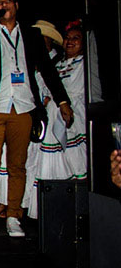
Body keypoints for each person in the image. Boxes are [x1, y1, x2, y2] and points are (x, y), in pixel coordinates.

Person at [0, 0, 74, 237]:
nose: (2, 5)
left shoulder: (32, 34)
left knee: (18, 166)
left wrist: (62, 101)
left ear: (16, 5)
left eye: (6, 1)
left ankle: (14, 215)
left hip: (23, 107)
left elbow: (47, 70)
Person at [36, 21, 88, 181]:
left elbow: (75, 90)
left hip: (74, 114)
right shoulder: (57, 64)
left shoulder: (84, 64)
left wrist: (56, 102)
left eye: (76, 38)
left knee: (76, 161)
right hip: (53, 115)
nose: (70, 41)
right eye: (68, 38)